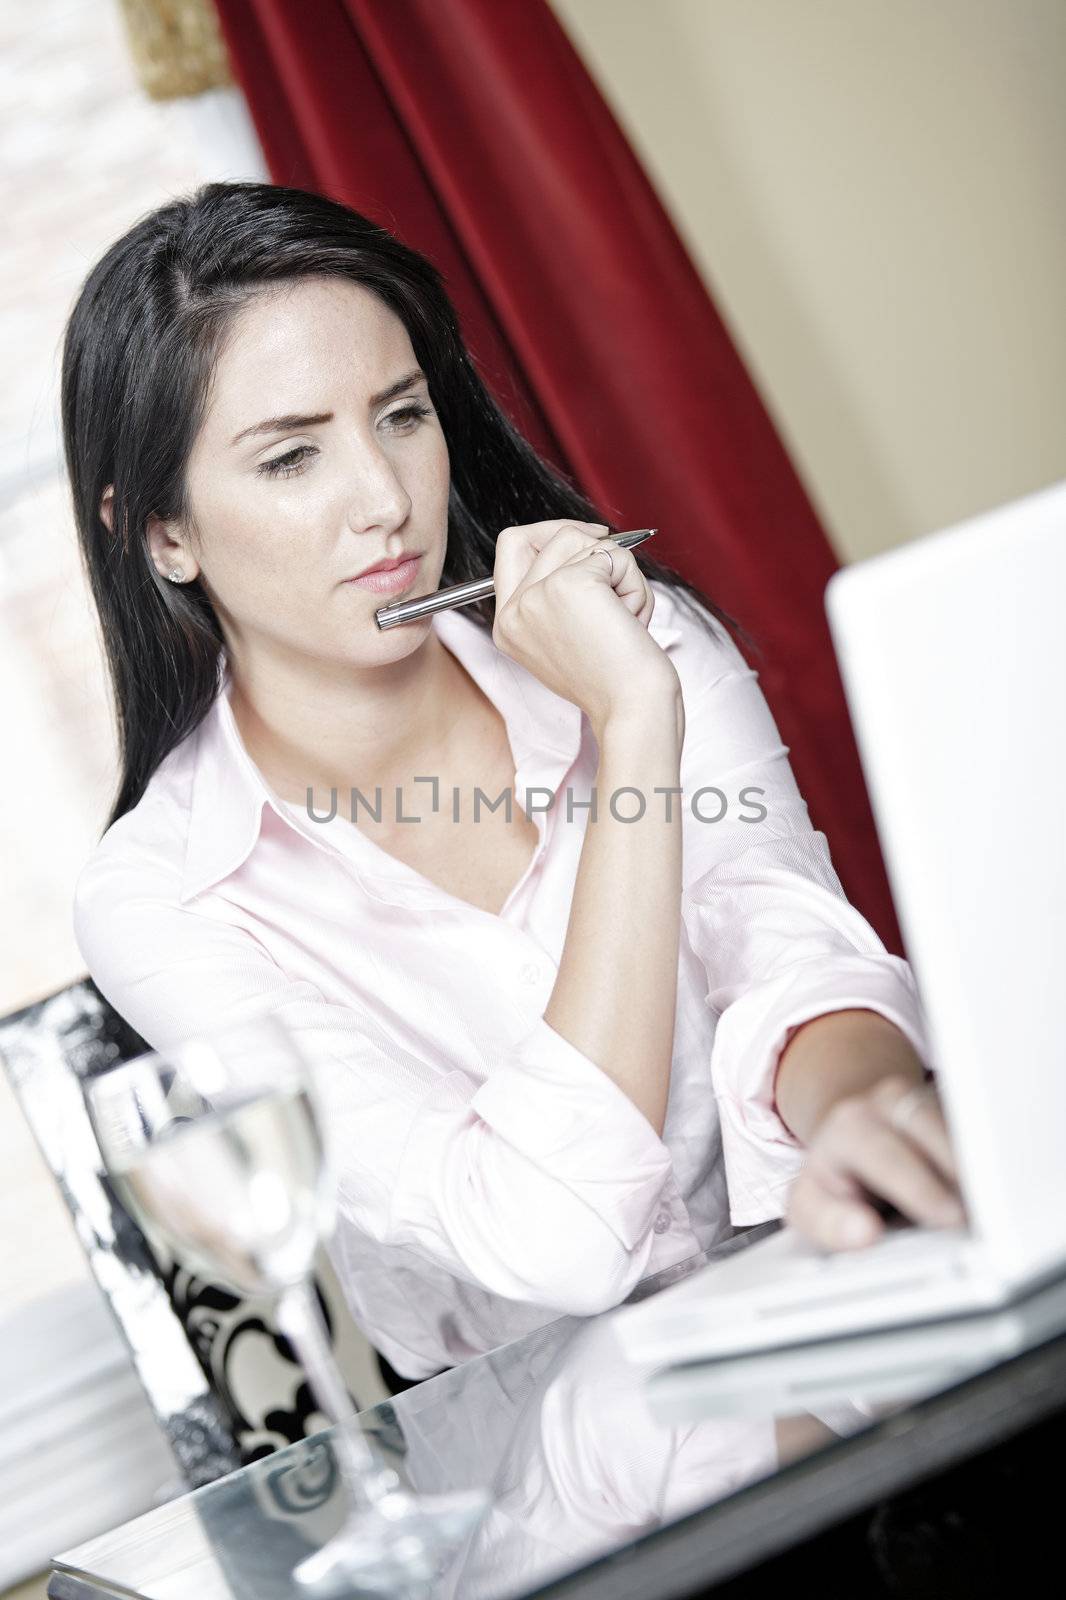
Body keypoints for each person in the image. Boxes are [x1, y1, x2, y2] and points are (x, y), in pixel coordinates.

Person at [63, 181, 965, 1391]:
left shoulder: (643, 637)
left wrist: (870, 1106)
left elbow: (780, 937)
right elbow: (552, 1236)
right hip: (549, 1490)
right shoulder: (158, 899)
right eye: (289, 457)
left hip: (844, 1328)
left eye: (401, 416)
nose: (384, 501)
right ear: (160, 532)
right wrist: (631, 726)